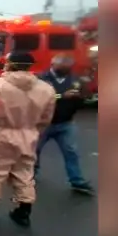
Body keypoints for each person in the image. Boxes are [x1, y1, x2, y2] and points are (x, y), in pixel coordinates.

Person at [0, 52, 56, 227]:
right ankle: (23, 213)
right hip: (28, 135)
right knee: (24, 174)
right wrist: (34, 131)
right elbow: (46, 118)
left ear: (9, 64)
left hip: (0, 134)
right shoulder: (46, 89)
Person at [35, 54, 94, 195]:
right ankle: (30, 175)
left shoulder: (75, 79)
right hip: (43, 123)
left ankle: (77, 180)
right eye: (63, 68)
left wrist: (82, 95)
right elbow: (39, 98)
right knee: (33, 151)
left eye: (68, 68)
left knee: (71, 152)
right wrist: (61, 96)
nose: (66, 71)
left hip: (66, 123)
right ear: (53, 65)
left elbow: (87, 99)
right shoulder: (41, 79)